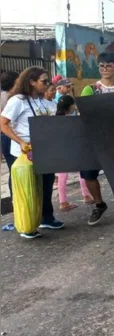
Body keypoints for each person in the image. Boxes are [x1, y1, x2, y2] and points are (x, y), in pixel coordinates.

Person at [1, 67, 63, 238]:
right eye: (44, 81)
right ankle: (27, 223)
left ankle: (46, 218)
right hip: (24, 154)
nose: (48, 84)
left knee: (46, 185)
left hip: (45, 151)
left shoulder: (45, 101)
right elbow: (3, 123)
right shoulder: (18, 101)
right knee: (29, 188)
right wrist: (20, 141)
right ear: (31, 82)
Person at [79, 52, 114, 225]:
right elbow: (82, 113)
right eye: (102, 66)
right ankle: (99, 204)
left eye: (109, 65)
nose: (105, 69)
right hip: (94, 139)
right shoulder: (89, 89)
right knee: (89, 174)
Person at [55, 95, 93, 211]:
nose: (74, 106)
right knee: (81, 172)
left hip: (60, 150)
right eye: (73, 104)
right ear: (69, 106)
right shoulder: (72, 119)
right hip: (73, 148)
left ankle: (63, 201)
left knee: (62, 175)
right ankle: (86, 195)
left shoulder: (55, 119)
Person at [1, 71, 20, 199]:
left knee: (12, 170)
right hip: (11, 136)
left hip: (5, 136)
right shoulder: (11, 98)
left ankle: (15, 200)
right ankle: (16, 199)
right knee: (16, 170)